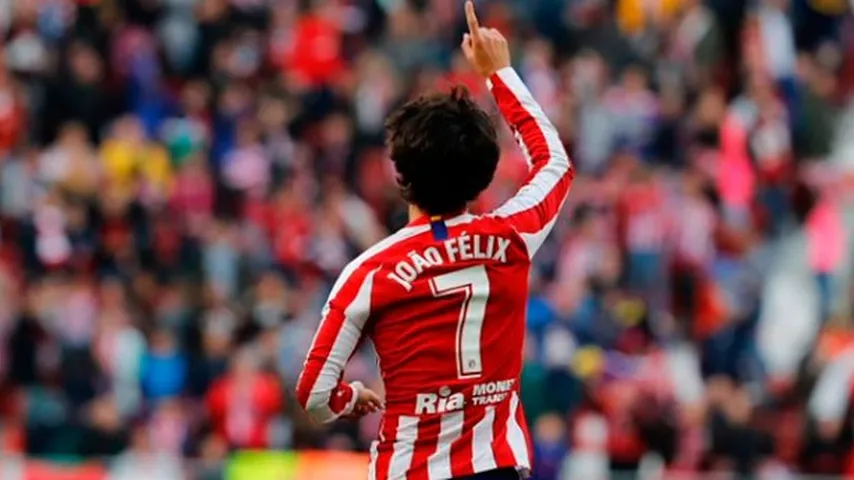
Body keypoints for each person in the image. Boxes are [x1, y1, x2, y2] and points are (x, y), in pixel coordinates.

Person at [295, 2, 573, 479]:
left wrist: (348, 399)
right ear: (484, 174)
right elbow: (555, 165)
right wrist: (500, 72)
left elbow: (315, 394)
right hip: (496, 467)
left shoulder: (369, 273)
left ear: (399, 173)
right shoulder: (512, 238)